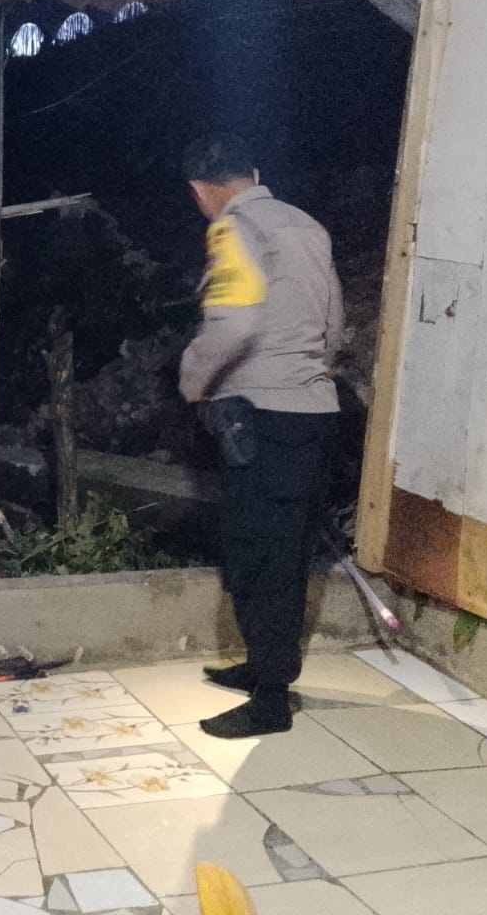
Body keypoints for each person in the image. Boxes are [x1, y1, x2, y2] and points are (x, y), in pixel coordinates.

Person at [178, 136, 343, 739]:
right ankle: (266, 666)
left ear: (201, 190)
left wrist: (193, 382)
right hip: (314, 413)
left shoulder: (234, 230)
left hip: (262, 418)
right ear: (253, 172)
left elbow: (234, 323)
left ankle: (270, 700)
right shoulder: (307, 227)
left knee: (255, 557)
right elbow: (333, 323)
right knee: (288, 553)